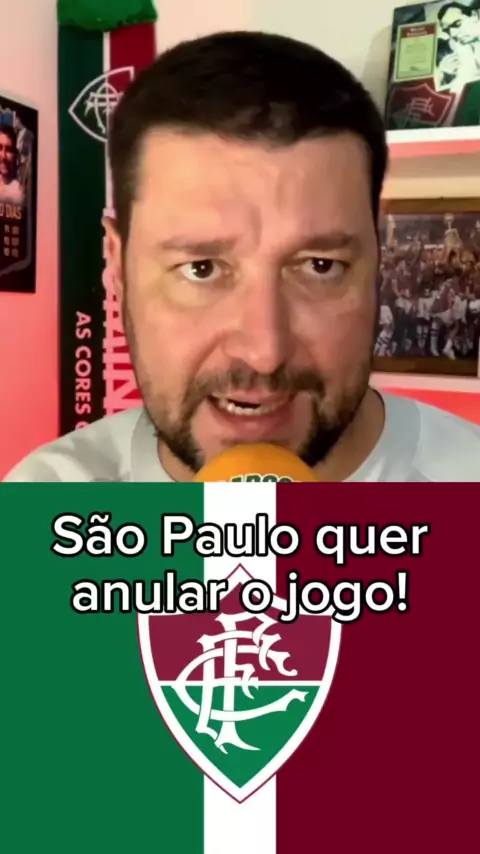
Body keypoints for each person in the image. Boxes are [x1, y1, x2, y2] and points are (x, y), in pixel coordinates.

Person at [4, 31, 480, 483]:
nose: (264, 352)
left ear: (379, 257)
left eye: (320, 265)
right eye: (201, 268)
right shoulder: (43, 505)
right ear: (117, 265)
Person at [0, 124, 24, 203]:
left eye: (8, 150)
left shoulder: (16, 192)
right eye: (0, 148)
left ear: (15, 154)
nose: (3, 156)